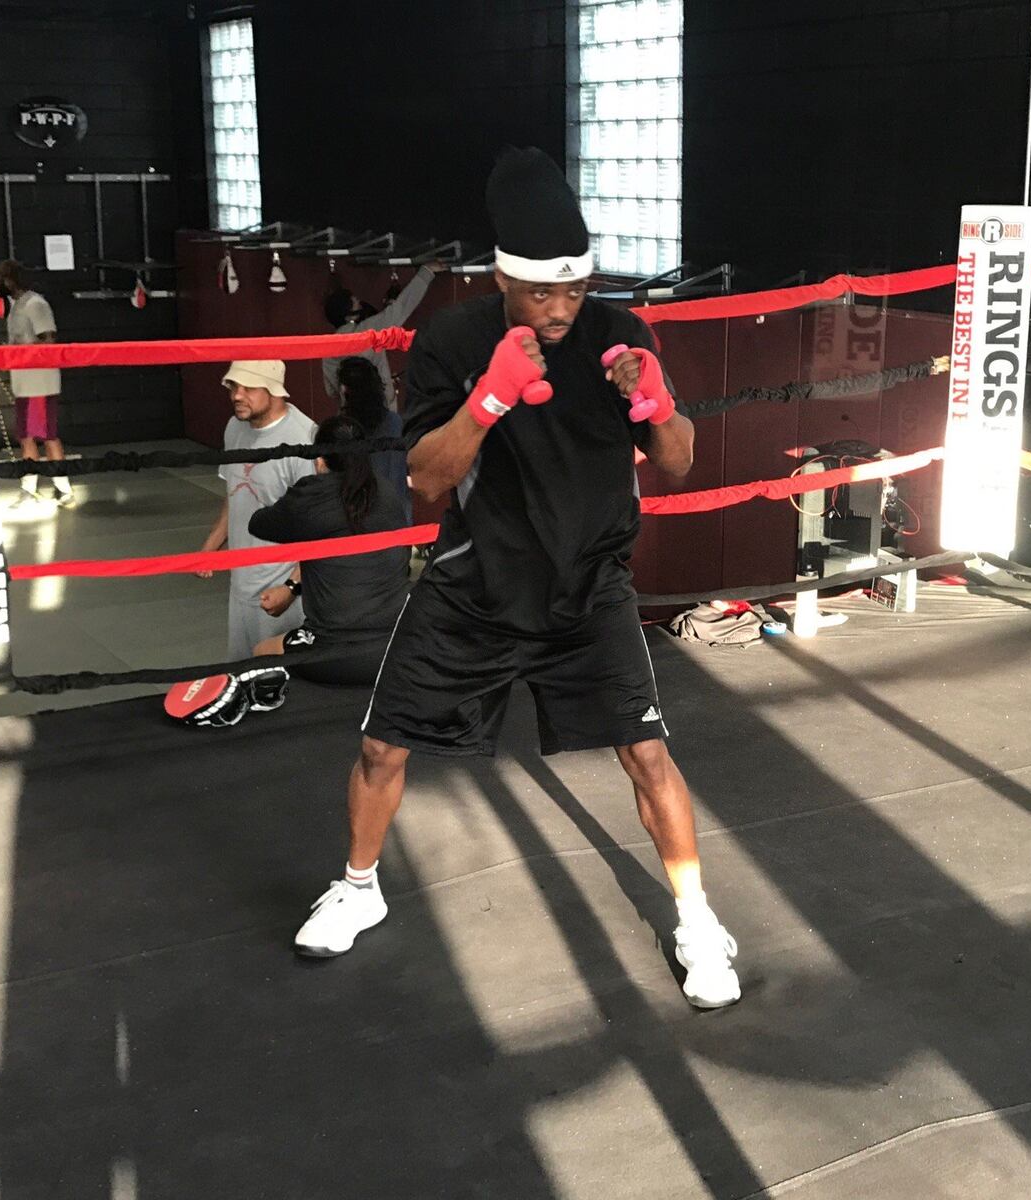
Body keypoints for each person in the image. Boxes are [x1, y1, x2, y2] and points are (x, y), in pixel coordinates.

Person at [292, 147, 741, 1009]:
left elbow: (679, 462)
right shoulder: (455, 341)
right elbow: (424, 477)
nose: (563, 310)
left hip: (588, 589)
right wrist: (487, 400)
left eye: (576, 291)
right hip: (475, 583)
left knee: (647, 755)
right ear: (504, 278)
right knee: (383, 745)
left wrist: (655, 405)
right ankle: (359, 886)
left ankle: (696, 921)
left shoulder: (622, 334)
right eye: (544, 294)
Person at [247, 412, 410, 685]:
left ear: (320, 459)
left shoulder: (312, 494)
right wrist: (292, 587)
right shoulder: (387, 492)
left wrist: (296, 496)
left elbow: (259, 524)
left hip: (334, 652)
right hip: (398, 643)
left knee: (261, 651)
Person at [197, 360, 317, 660]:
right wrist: (210, 547)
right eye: (234, 387)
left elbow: (319, 524)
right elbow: (236, 494)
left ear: (274, 390)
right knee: (239, 678)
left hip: (280, 590)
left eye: (248, 387)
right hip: (240, 585)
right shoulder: (235, 427)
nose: (237, 395)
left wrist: (292, 587)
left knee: (278, 685)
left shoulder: (303, 439)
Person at [0, 260, 74, 507]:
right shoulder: (18, 305)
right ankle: (31, 488)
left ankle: (63, 489)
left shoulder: (35, 304)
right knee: (26, 436)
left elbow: (48, 341)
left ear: (10, 280)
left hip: (39, 382)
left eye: (1, 279)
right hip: (24, 382)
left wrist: (18, 352)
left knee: (46, 435)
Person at [321, 261, 443, 410]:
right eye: (355, 301)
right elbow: (401, 308)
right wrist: (426, 272)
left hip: (349, 416)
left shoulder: (327, 349)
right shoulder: (368, 332)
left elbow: (331, 391)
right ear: (348, 314)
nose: (359, 301)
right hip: (383, 410)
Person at [335, 355, 409, 517]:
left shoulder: (341, 431)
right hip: (397, 520)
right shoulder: (396, 423)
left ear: (345, 391)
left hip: (359, 523)